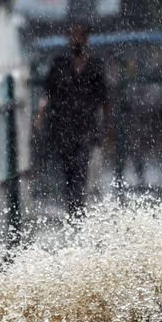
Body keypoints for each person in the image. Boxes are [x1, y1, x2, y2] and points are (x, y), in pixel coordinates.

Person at [38, 22, 111, 216]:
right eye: (72, 35)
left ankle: (77, 208)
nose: (75, 39)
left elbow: (104, 99)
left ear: (86, 38)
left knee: (81, 167)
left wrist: (107, 128)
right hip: (63, 127)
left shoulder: (95, 66)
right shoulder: (59, 64)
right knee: (68, 169)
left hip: (86, 128)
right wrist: (40, 116)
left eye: (79, 35)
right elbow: (47, 93)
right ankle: (72, 206)